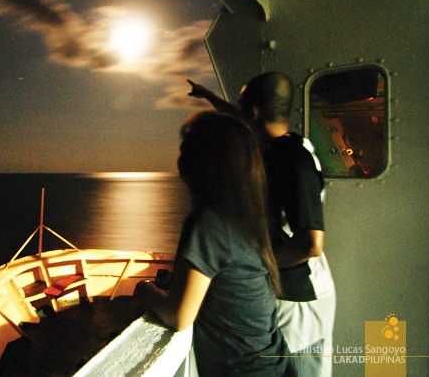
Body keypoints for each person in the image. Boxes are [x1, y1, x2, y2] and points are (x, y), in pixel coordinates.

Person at [188, 73, 336, 377]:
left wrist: (252, 266)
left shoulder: (294, 161)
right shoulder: (280, 147)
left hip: (299, 295)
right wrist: (208, 96)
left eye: (241, 107)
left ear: (253, 113)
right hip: (282, 286)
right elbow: (236, 115)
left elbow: (312, 243)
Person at [135, 111, 296, 376]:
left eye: (186, 150)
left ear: (203, 162)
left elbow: (179, 316)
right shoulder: (249, 216)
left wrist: (144, 288)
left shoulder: (207, 223)